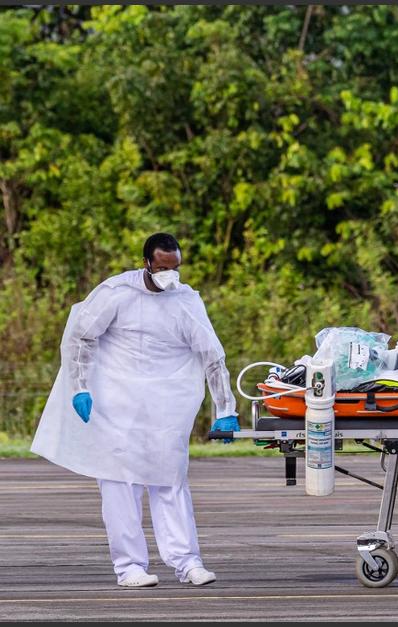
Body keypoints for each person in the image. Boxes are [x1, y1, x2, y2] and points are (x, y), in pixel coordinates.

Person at [31, 233, 241, 588]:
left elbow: (212, 355)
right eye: (162, 268)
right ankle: (129, 567)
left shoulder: (185, 301)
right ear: (146, 263)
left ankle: (187, 562)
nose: (169, 276)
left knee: (171, 479)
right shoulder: (116, 294)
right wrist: (79, 387)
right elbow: (82, 337)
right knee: (120, 483)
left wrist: (225, 407)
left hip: (166, 406)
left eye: (175, 268)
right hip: (117, 404)